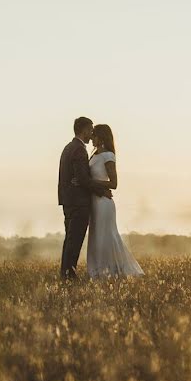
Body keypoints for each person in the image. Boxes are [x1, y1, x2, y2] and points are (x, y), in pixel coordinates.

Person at [80, 124, 144, 278]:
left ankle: (110, 270)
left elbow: (114, 183)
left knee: (106, 236)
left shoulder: (108, 156)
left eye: (94, 135)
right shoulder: (94, 155)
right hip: (95, 201)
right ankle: (97, 270)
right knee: (96, 236)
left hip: (103, 203)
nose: (91, 137)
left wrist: (91, 182)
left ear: (100, 137)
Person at [58, 117, 111, 279]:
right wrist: (102, 190)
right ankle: (69, 274)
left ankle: (65, 273)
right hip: (79, 202)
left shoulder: (69, 147)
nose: (91, 134)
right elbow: (83, 179)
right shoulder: (80, 150)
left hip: (68, 200)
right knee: (75, 240)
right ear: (84, 130)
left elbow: (77, 177)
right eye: (90, 130)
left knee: (70, 239)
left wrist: (78, 181)